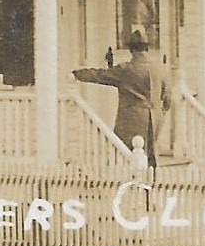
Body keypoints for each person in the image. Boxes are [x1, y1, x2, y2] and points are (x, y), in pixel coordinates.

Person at [72, 32, 173, 165]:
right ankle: (150, 183)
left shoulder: (125, 69)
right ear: (147, 48)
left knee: (124, 155)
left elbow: (99, 75)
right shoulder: (160, 69)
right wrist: (161, 112)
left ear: (131, 50)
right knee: (151, 155)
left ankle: (129, 183)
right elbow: (168, 97)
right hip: (155, 118)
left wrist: (76, 74)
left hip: (131, 119)